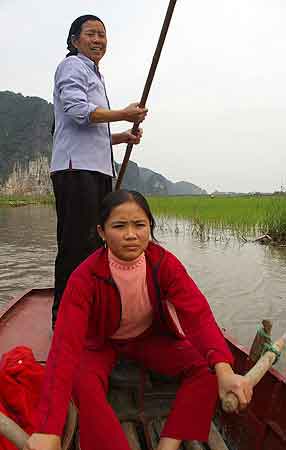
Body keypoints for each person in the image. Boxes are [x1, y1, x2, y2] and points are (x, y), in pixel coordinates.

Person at [25, 190, 253, 450]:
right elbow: (64, 347)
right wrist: (48, 428)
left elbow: (197, 315)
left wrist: (224, 369)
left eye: (140, 225)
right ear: (102, 232)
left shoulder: (164, 264)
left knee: (207, 367)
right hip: (102, 343)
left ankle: (169, 443)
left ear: (150, 227)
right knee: (82, 384)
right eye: (119, 226)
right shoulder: (83, 278)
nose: (131, 235)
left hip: (148, 339)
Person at [50, 14, 148, 327]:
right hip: (75, 168)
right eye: (90, 34)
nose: (97, 40)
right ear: (75, 40)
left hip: (97, 169)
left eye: (102, 35)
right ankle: (65, 318)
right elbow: (78, 112)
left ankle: (89, 310)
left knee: (96, 243)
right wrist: (123, 113)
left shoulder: (96, 74)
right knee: (77, 243)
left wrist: (122, 136)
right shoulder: (72, 66)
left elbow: (95, 132)